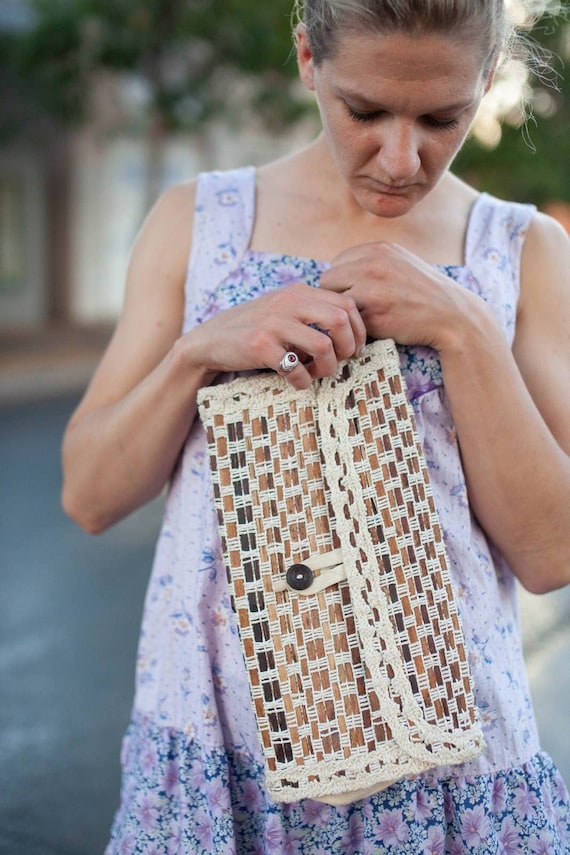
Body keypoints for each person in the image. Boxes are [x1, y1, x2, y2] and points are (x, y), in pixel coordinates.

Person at [62, 0, 570, 851]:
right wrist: (198, 353)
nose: (402, 158)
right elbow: (90, 494)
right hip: (221, 759)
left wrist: (464, 326)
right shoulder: (200, 223)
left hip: (445, 767)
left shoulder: (519, 253)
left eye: (443, 117)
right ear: (307, 59)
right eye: (365, 111)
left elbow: (553, 553)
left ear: (485, 84)